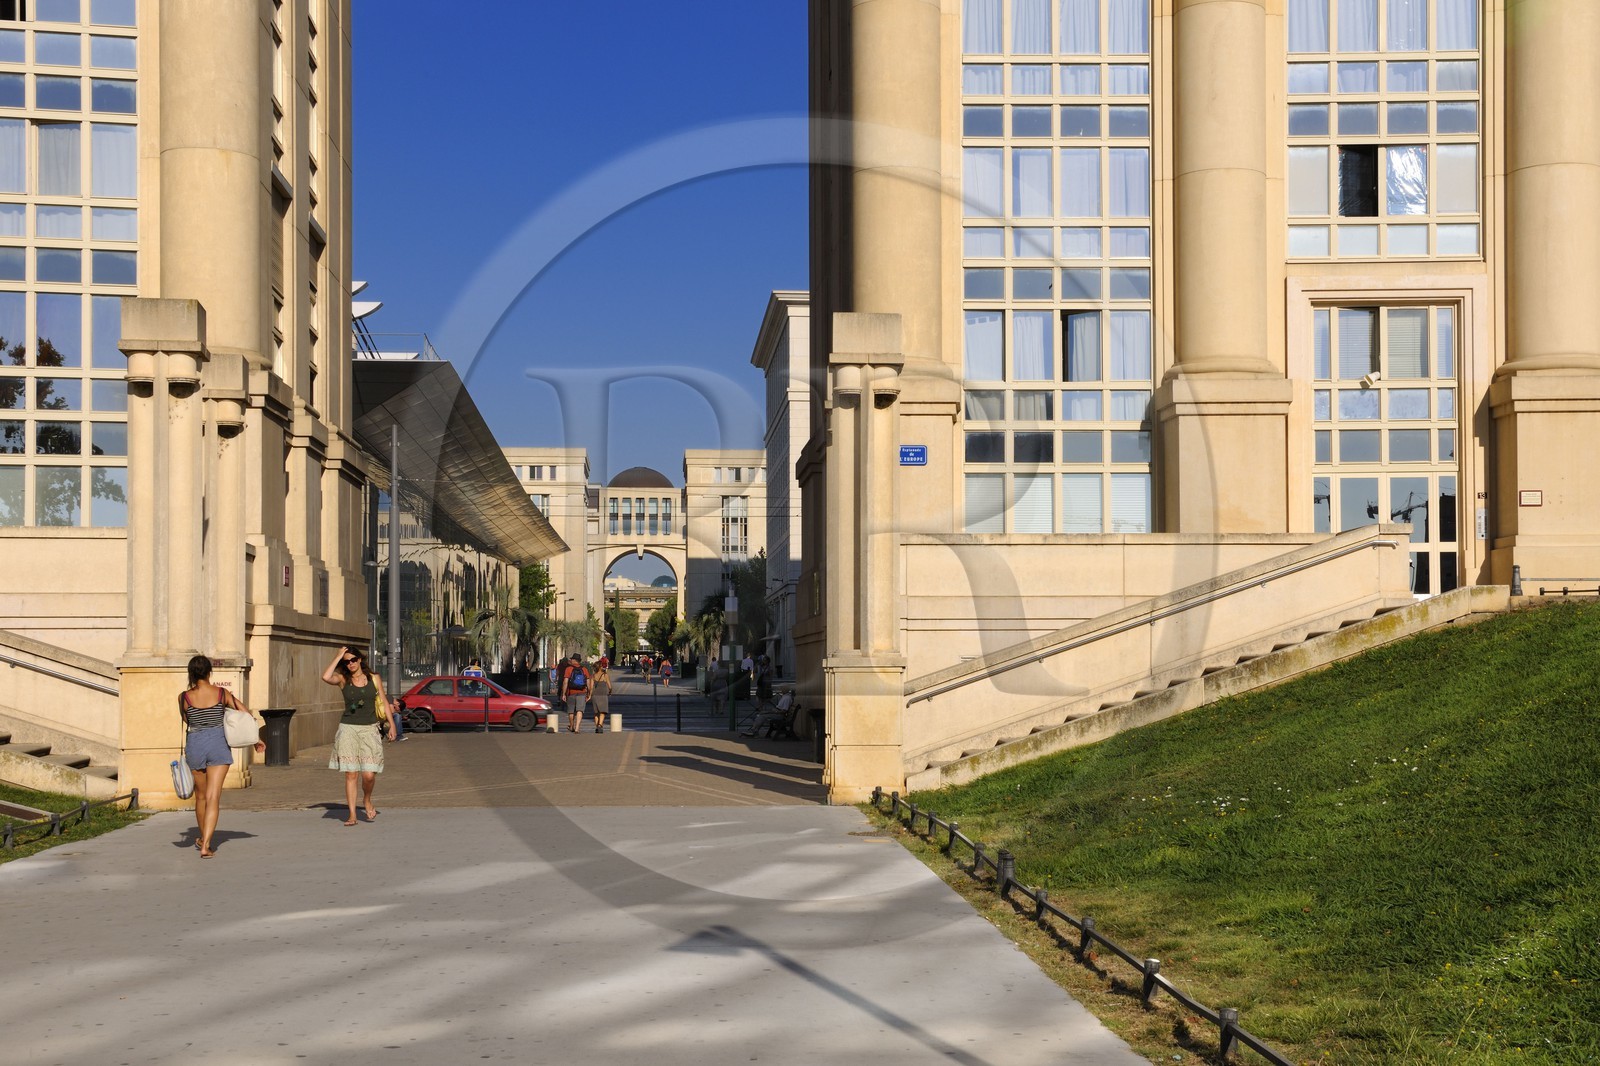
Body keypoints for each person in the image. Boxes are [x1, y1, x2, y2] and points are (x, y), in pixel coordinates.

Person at [179, 654, 265, 858]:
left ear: (191, 673)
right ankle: (206, 845)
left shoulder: (184, 697)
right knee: (213, 796)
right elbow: (243, 713)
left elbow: (186, 719)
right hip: (218, 743)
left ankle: (201, 836)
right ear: (210, 672)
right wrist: (255, 738)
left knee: (200, 796)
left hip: (195, 744)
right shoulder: (221, 693)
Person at [322, 645, 395, 826]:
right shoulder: (342, 679)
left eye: (353, 660)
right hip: (348, 729)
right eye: (347, 661)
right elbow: (325, 676)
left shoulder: (374, 678)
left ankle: (367, 799)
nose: (350, 664)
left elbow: (384, 703)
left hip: (370, 729)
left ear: (360, 659)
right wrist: (338, 656)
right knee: (351, 774)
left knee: (369, 775)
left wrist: (392, 725)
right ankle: (352, 815)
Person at [562, 654, 590, 733]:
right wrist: (589, 693)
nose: (571, 660)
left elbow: (565, 682)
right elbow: (588, 682)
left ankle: (572, 726)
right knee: (579, 710)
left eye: (572, 659)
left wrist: (564, 693)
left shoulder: (568, 669)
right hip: (582, 692)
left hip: (571, 692)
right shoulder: (584, 669)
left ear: (574, 660)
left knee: (571, 711)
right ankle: (577, 728)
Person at [591, 660, 613, 733]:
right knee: (602, 712)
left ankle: (597, 727)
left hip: (595, 695)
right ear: (600, 667)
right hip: (603, 695)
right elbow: (609, 686)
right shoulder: (605, 675)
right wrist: (610, 691)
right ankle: (600, 725)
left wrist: (590, 695)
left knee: (596, 712)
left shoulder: (593, 676)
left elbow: (591, 687)